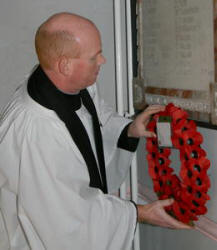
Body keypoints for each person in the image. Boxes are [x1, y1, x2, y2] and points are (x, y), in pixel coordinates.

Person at [0, 12, 191, 250]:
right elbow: (65, 223)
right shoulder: (39, 132)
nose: (103, 61)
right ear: (65, 65)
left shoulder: (69, 83)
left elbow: (97, 119)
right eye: (94, 56)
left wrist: (130, 129)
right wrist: (139, 213)